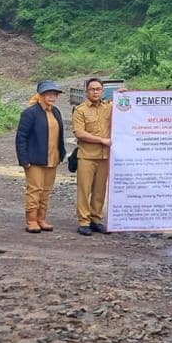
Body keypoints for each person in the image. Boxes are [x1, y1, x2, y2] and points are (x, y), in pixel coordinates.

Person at [16, 80, 67, 233]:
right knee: (34, 190)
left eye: (54, 94)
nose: (52, 97)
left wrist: (61, 153)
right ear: (41, 95)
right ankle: (31, 220)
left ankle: (41, 218)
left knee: (46, 190)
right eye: (48, 94)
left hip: (52, 158)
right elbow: (21, 137)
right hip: (34, 160)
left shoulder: (55, 111)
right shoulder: (30, 113)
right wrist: (23, 159)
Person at [72, 77, 113, 236]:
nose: (95, 92)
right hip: (87, 156)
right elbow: (79, 133)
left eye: (98, 89)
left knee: (100, 190)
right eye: (92, 89)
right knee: (84, 189)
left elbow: (127, 110)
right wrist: (101, 140)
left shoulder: (108, 108)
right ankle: (83, 221)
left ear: (102, 91)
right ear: (86, 91)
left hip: (104, 157)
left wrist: (125, 96)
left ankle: (96, 219)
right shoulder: (80, 110)